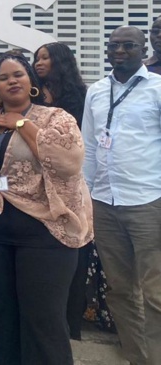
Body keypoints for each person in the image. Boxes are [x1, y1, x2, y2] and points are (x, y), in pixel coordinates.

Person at [0, 52, 92, 364]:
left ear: (31, 82)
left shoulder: (56, 118)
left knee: (43, 320)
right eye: (3, 77)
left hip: (44, 234)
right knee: (5, 316)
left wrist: (22, 123)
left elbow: (67, 163)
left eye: (18, 75)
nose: (12, 81)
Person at [82, 26, 161, 365]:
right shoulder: (97, 91)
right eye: (114, 45)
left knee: (156, 294)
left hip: (148, 201)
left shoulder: (157, 89)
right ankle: (138, 359)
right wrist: (84, 197)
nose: (120, 51)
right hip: (104, 202)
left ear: (143, 49)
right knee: (121, 291)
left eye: (129, 46)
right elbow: (87, 146)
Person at [33, 41, 111, 338]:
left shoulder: (81, 96)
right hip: (37, 187)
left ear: (61, 61)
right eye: (37, 58)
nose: (39, 63)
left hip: (70, 185)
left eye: (46, 58)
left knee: (73, 256)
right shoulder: (32, 94)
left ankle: (70, 323)